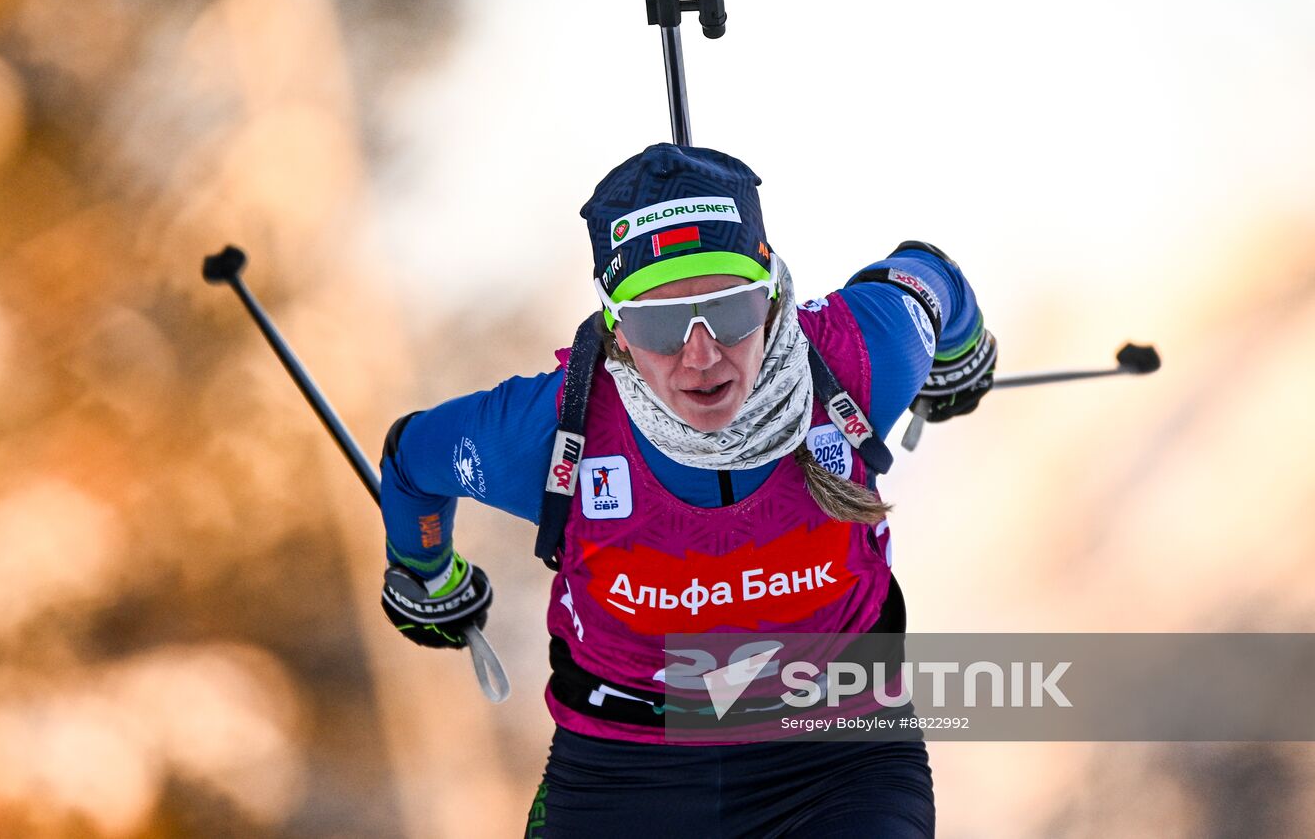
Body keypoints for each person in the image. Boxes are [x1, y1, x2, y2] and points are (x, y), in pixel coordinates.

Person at [378, 144, 996, 837]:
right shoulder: (549, 432)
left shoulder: (860, 355)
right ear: (614, 324)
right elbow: (411, 460)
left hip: (838, 758)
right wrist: (425, 573)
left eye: (728, 311)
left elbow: (928, 276)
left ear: (770, 297)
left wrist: (961, 351)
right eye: (659, 324)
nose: (700, 356)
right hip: (624, 772)